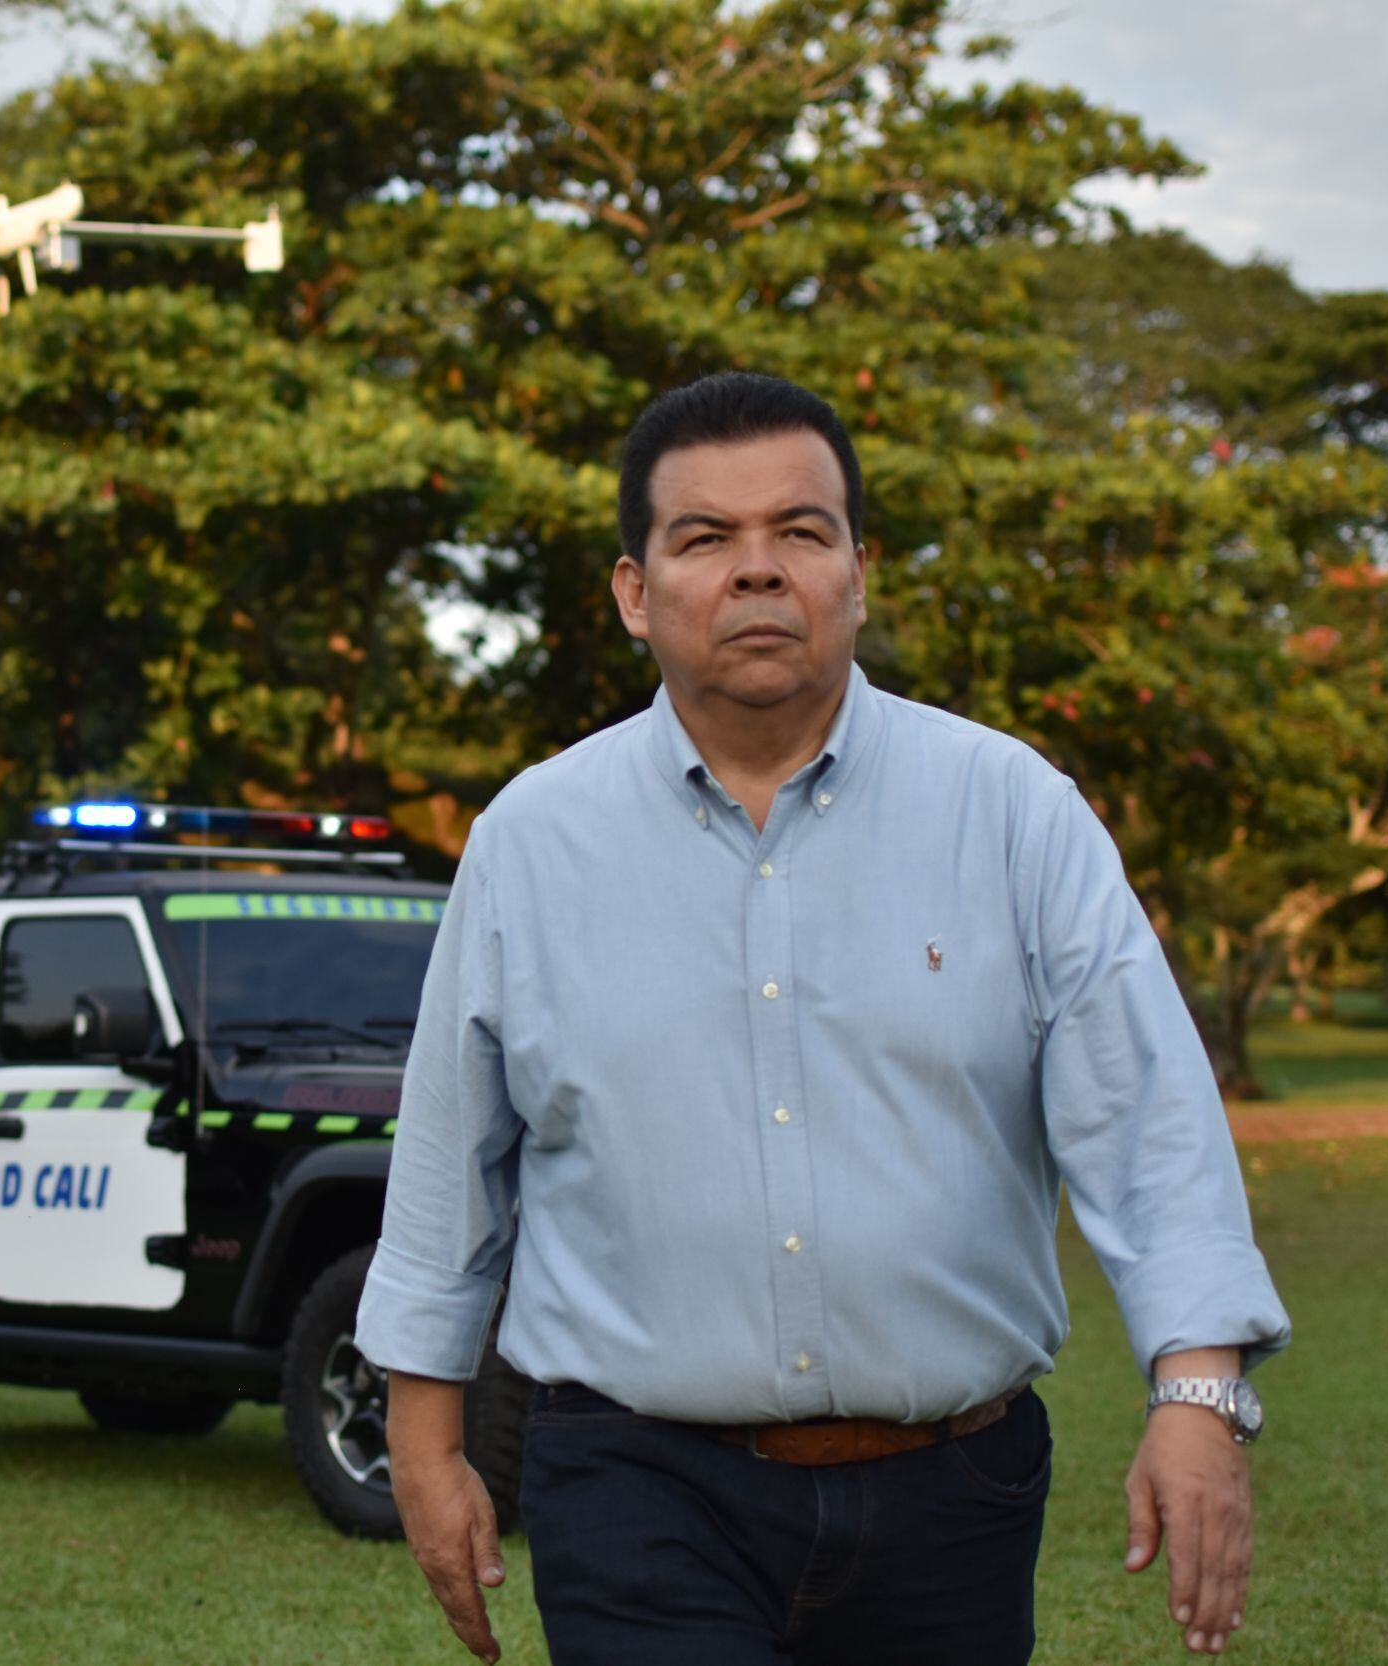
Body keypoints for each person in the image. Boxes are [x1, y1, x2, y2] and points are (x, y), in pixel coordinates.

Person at [354, 371, 1290, 1666]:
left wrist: (1198, 1396)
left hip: (956, 1492)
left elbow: (1149, 1122)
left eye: (801, 530)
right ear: (635, 591)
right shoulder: (531, 842)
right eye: (704, 538)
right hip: (637, 1484)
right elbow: (449, 1165)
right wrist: (425, 1438)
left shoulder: (1013, 811)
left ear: (862, 568)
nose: (757, 571)